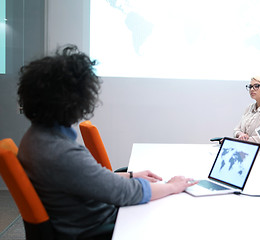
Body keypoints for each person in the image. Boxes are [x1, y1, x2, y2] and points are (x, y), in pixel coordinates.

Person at [16, 45, 197, 239]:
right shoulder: (59, 152)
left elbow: (91, 179)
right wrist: (172, 186)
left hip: (91, 219)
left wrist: (131, 175)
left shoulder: (37, 137)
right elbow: (124, 193)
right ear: (76, 100)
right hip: (100, 229)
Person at [233, 76, 260, 143]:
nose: (252, 89)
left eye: (256, 86)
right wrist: (241, 134)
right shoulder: (249, 107)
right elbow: (236, 130)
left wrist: (237, 140)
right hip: (244, 146)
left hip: (258, 149)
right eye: (250, 86)